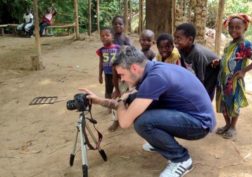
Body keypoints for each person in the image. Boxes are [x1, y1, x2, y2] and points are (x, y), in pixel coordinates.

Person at [80, 46, 216, 177]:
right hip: (191, 115)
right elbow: (126, 101)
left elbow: (125, 122)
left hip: (200, 124)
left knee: (142, 122)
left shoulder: (156, 78)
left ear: (134, 68)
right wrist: (98, 100)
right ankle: (160, 142)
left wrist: (121, 103)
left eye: (122, 74)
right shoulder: (152, 69)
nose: (122, 79)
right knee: (136, 104)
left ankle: (181, 159)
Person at [215, 14, 252, 139]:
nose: (233, 30)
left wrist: (244, 71)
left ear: (244, 28)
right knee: (224, 103)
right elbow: (227, 59)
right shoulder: (229, 44)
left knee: (234, 104)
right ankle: (227, 124)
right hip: (222, 80)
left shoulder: (246, 44)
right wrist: (219, 62)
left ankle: (233, 127)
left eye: (238, 27)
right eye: (231, 27)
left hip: (234, 81)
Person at [174, 23, 220, 100]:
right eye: (175, 37)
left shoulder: (197, 53)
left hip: (212, 69)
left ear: (190, 39)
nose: (175, 41)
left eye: (178, 38)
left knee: (206, 92)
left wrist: (197, 92)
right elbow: (184, 68)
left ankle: (205, 107)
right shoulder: (181, 50)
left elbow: (200, 78)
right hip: (203, 70)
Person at [110, 15, 132, 131]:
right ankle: (116, 121)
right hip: (116, 75)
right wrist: (117, 88)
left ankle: (130, 116)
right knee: (116, 96)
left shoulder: (127, 40)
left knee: (129, 96)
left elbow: (131, 54)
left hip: (128, 76)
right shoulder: (111, 39)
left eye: (120, 24)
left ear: (124, 26)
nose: (118, 26)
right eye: (116, 24)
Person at [96, 27, 121, 114]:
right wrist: (100, 75)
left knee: (119, 89)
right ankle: (109, 106)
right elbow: (101, 63)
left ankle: (120, 105)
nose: (105, 37)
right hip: (107, 74)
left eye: (107, 35)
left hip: (118, 74)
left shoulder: (118, 48)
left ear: (112, 37)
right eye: (102, 36)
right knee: (108, 91)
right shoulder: (101, 50)